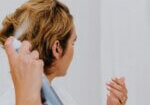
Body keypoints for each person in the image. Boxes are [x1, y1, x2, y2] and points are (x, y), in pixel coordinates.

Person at [0, 0, 128, 105]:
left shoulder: (60, 96)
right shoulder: (12, 101)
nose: (73, 49)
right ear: (57, 48)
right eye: (73, 43)